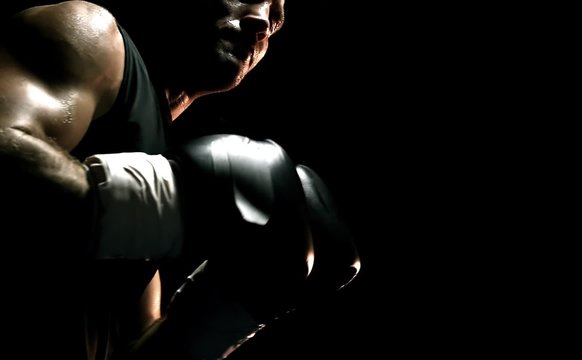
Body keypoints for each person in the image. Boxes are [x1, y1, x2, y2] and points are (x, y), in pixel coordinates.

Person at [0, 1, 359, 359]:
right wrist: (170, 204)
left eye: (276, 16)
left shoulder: (158, 165)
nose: (262, 20)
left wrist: (237, 307)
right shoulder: (90, 34)